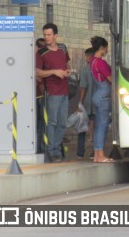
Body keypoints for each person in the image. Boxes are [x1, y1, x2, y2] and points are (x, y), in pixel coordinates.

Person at [35, 23, 71, 163]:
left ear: (55, 35)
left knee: (62, 123)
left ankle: (56, 148)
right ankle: (52, 151)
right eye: (45, 34)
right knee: (52, 122)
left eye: (49, 34)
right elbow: (37, 72)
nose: (46, 37)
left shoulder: (63, 48)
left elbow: (66, 65)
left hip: (64, 90)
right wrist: (54, 72)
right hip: (52, 91)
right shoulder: (41, 52)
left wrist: (66, 72)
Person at [90, 36, 114, 163]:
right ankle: (101, 155)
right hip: (104, 96)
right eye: (106, 48)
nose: (107, 51)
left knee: (98, 125)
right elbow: (111, 80)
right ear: (101, 48)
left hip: (97, 94)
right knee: (102, 126)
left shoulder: (92, 61)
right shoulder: (101, 62)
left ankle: (96, 155)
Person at [76, 47, 95, 159]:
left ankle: (80, 153)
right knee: (96, 128)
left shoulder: (85, 70)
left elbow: (83, 87)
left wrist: (80, 103)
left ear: (88, 57)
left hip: (87, 103)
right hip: (98, 104)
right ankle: (95, 151)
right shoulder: (100, 68)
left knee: (82, 128)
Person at [35, 37, 46, 154]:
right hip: (38, 97)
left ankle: (40, 147)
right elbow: (39, 78)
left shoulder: (41, 57)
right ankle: (39, 148)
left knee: (41, 123)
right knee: (40, 124)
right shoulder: (36, 57)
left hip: (39, 96)